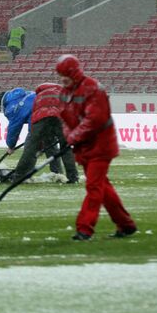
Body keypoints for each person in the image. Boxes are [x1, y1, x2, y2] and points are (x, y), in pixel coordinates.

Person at [56, 54, 137, 241]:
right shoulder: (66, 92)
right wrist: (69, 136)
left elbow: (95, 120)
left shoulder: (92, 88)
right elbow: (65, 118)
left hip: (101, 145)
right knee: (103, 187)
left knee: (94, 186)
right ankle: (126, 225)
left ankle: (84, 228)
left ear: (73, 73)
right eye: (59, 75)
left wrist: (73, 137)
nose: (61, 79)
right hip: (85, 146)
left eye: (64, 75)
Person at [0, 85, 79, 184]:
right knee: (61, 146)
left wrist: (11, 146)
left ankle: (20, 177)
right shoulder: (32, 94)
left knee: (31, 147)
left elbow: (14, 128)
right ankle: (68, 176)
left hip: (42, 115)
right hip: (60, 115)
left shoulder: (12, 106)